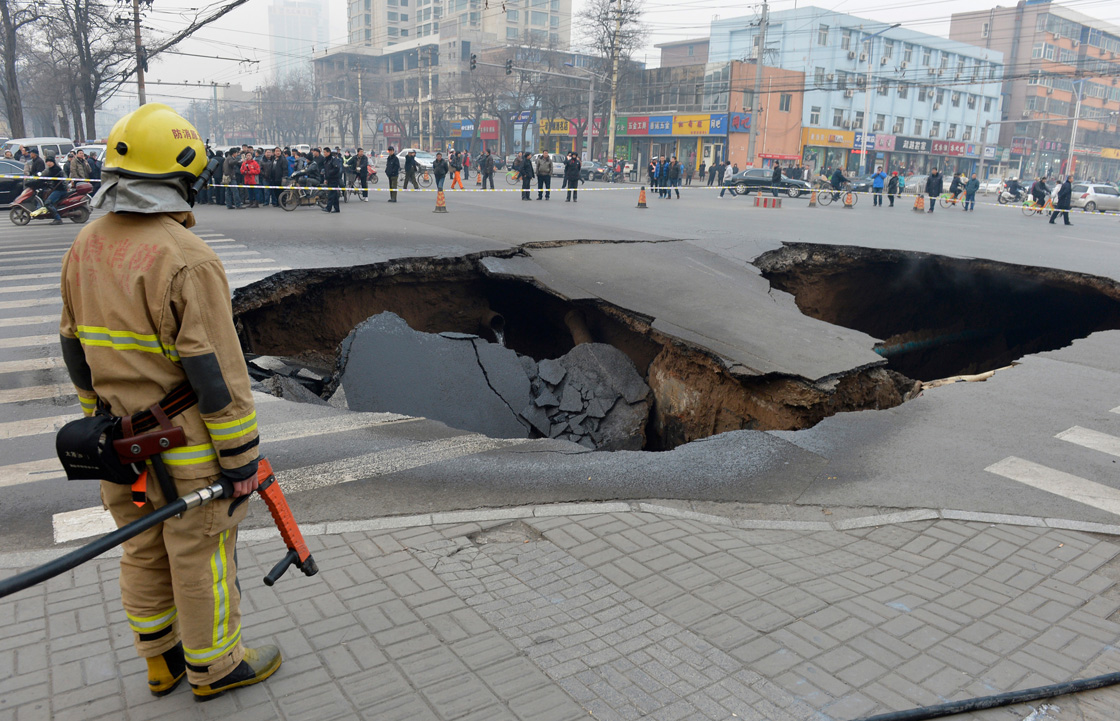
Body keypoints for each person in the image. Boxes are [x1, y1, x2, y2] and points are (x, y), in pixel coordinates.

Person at [59, 102, 279, 702]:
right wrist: (240, 461)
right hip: (184, 446)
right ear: (183, 176)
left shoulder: (85, 242)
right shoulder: (186, 257)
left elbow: (73, 345)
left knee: (141, 549)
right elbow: (217, 373)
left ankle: (161, 662)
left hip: (119, 444)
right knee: (200, 554)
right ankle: (215, 667)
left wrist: (94, 417)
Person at [40, 156, 67, 225]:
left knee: (47, 203)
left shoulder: (56, 169)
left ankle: (58, 219)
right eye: (47, 162)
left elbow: (49, 178)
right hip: (55, 189)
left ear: (53, 162)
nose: (49, 163)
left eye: (50, 162)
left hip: (59, 190)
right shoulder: (50, 169)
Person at [322, 146, 341, 212]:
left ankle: (328, 208)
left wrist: (330, 173)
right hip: (329, 179)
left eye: (325, 152)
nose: (324, 153)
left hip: (334, 179)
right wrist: (326, 178)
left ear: (328, 152)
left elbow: (336, 168)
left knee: (331, 194)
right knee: (334, 195)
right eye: (323, 152)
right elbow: (325, 170)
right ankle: (337, 208)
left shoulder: (333, 159)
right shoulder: (326, 160)